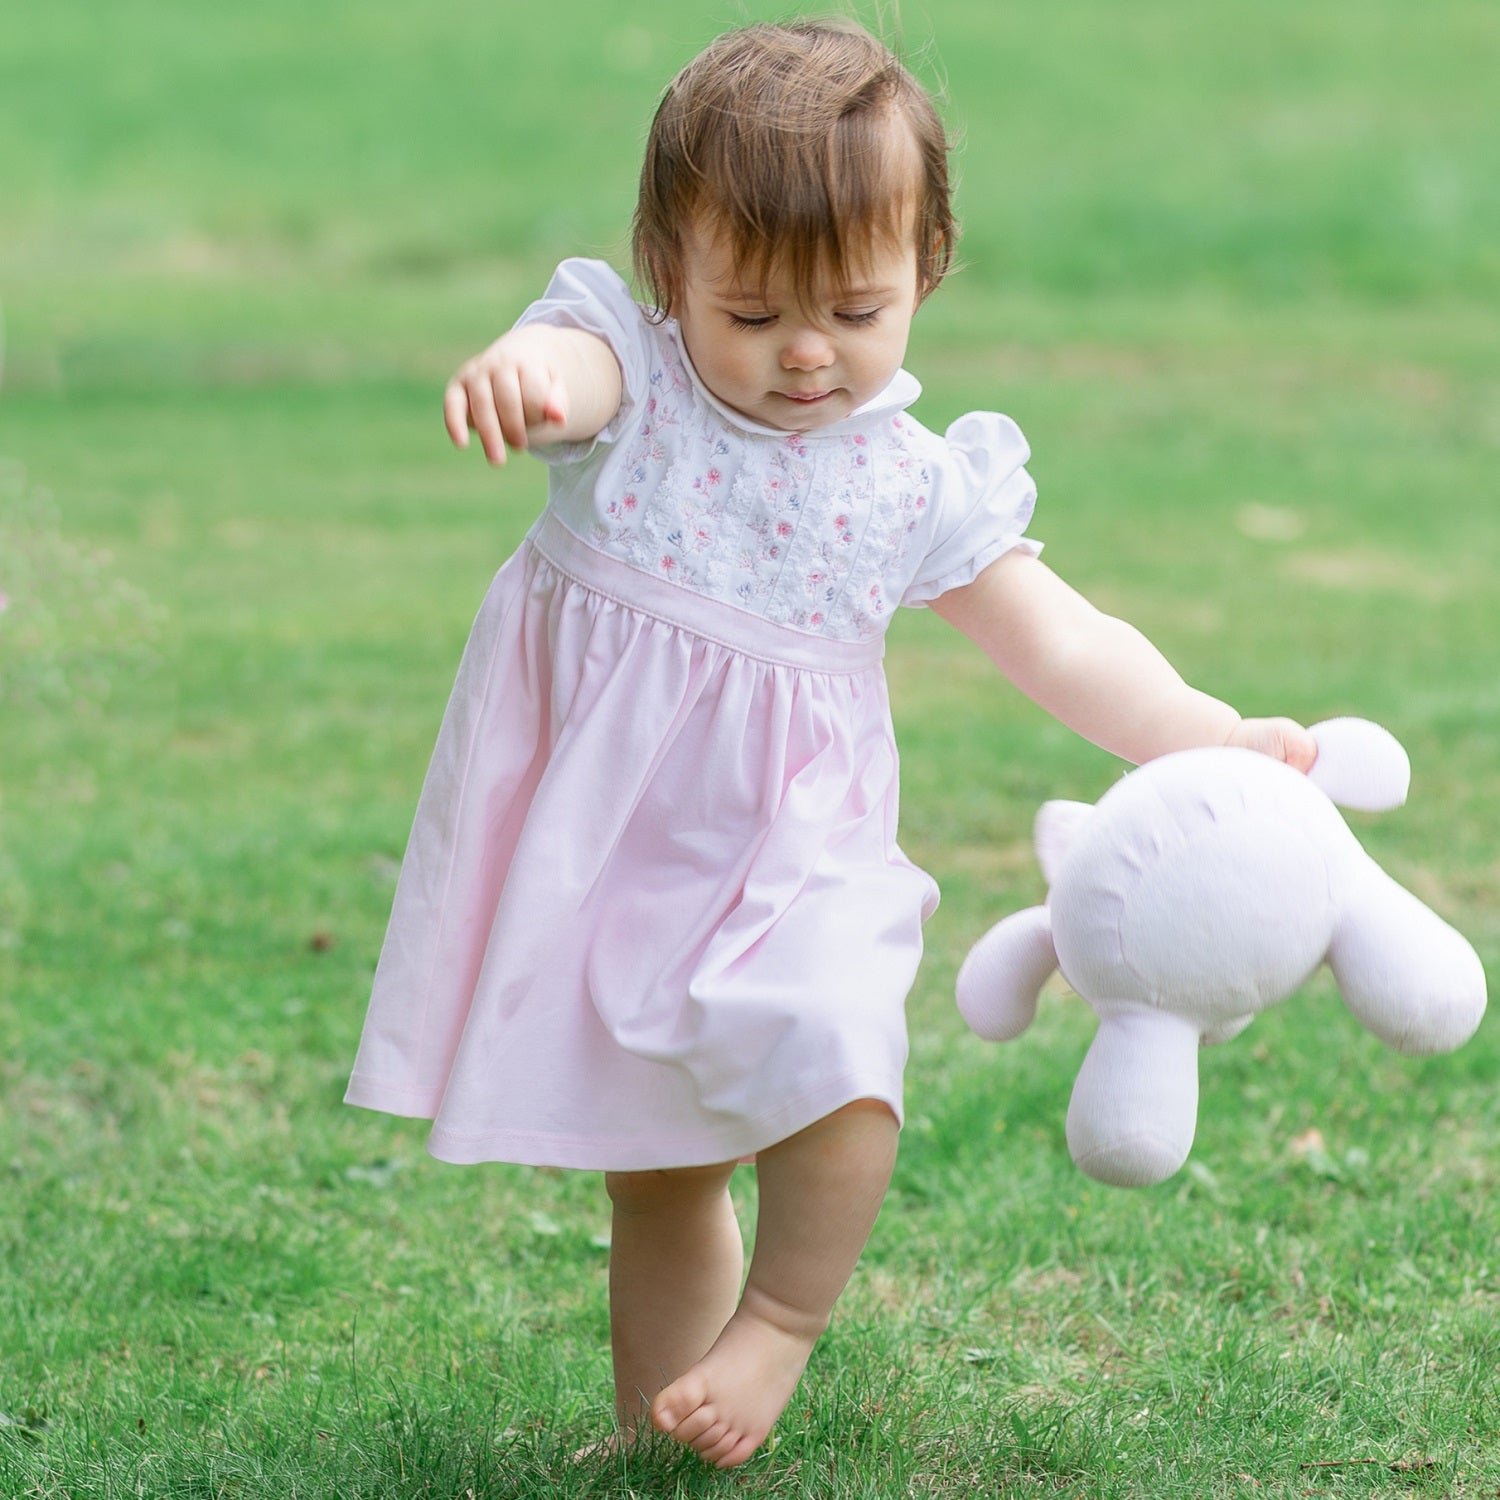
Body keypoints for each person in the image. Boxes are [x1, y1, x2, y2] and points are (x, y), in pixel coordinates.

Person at [345, 18, 1317, 1470]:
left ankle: (782, 1322)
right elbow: (573, 363)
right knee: (661, 1171)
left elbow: (1059, 638)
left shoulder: (912, 479)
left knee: (844, 1058)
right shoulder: (637, 383)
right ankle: (666, 1433)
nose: (808, 354)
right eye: (752, 315)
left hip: (797, 851)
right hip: (622, 853)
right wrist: (527, 374)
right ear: (671, 273)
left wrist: (1209, 737)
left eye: (857, 312)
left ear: (926, 269)